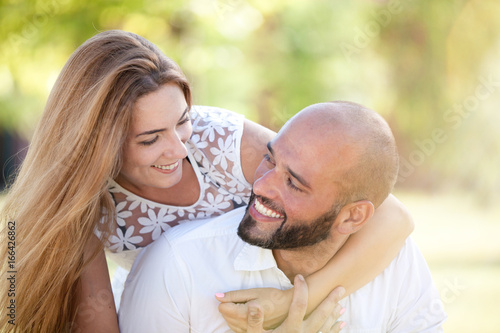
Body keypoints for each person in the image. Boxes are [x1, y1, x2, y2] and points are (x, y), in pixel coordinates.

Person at [0, 30, 412, 333]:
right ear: (96, 144)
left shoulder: (219, 141)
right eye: (149, 139)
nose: (179, 149)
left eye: (181, 122)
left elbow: (392, 217)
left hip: (270, 293)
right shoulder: (83, 206)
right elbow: (97, 321)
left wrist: (294, 303)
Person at [119, 101, 447, 332]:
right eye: (269, 159)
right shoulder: (177, 266)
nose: (260, 185)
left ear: (352, 218)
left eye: (293, 183)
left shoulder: (396, 262)